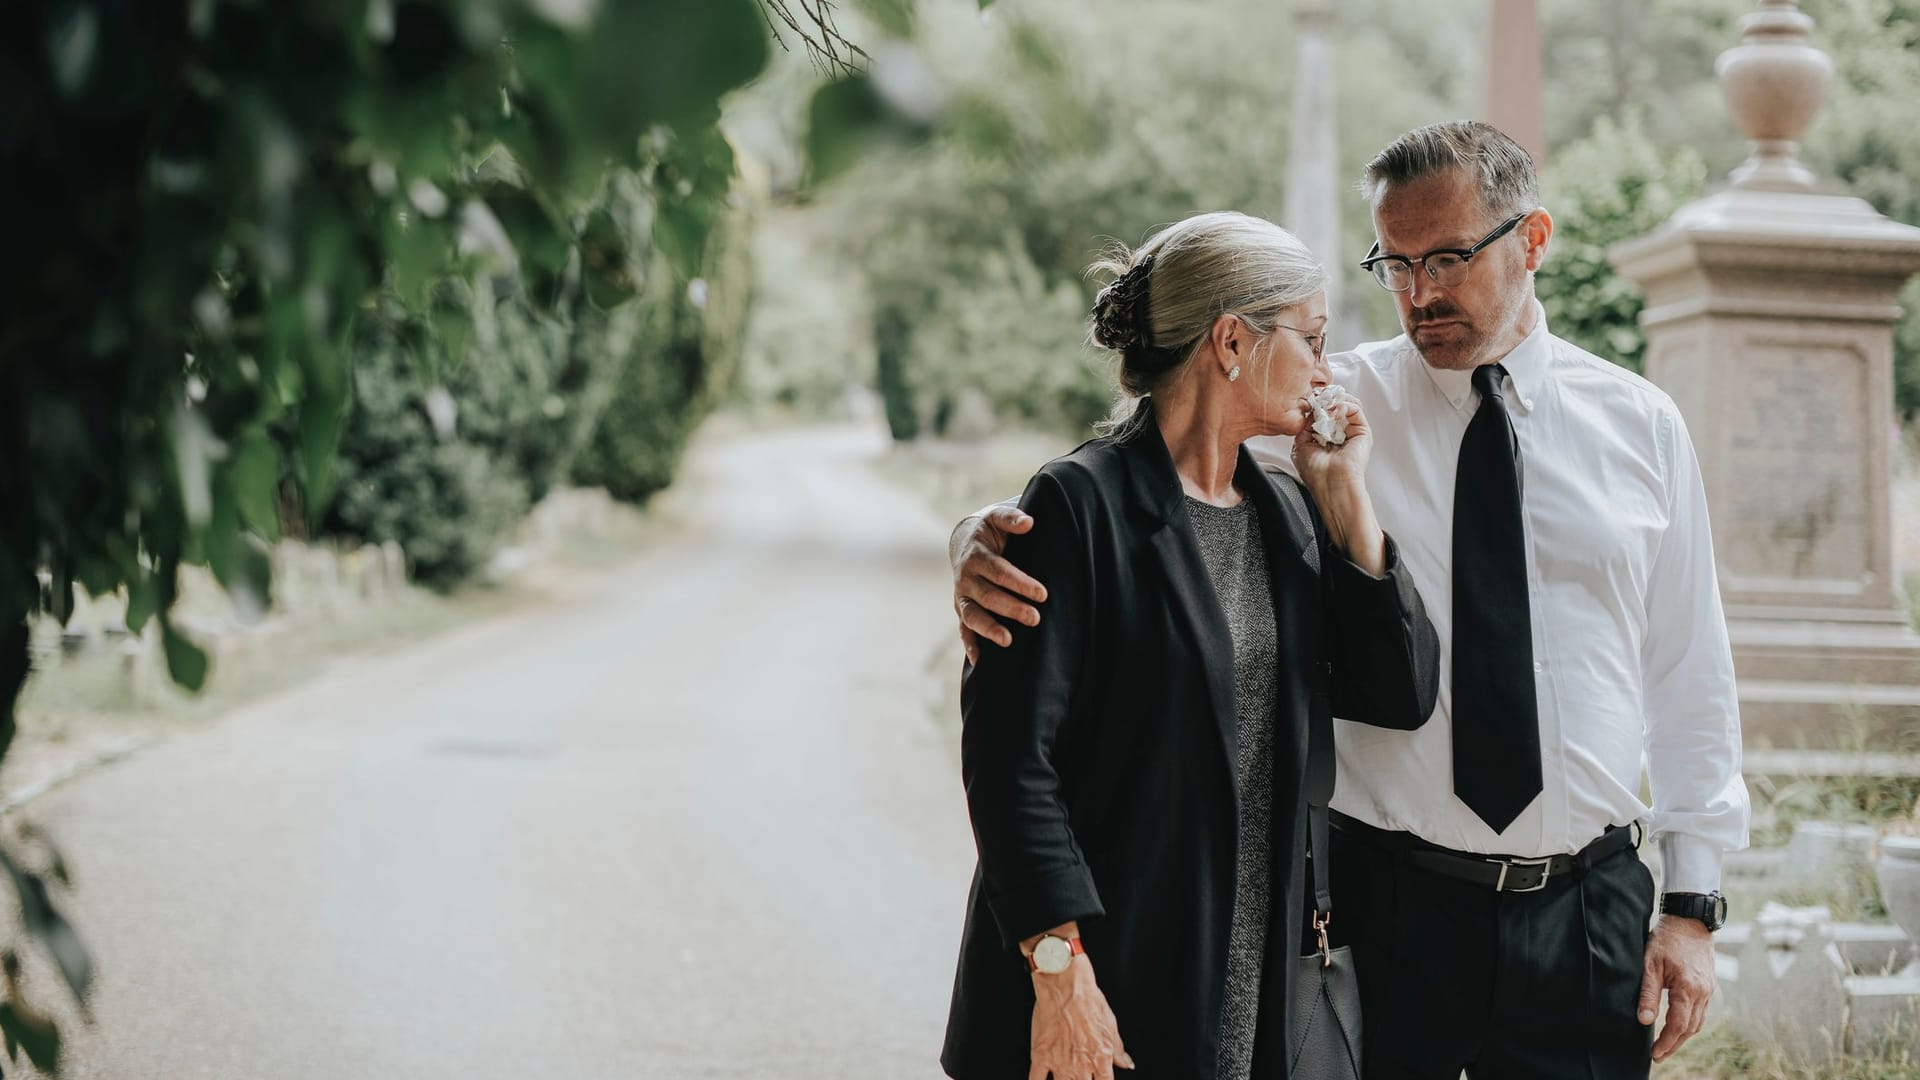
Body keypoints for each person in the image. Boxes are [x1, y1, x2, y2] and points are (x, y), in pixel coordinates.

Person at [950, 122, 1750, 1080]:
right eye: (1396, 264)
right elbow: (1131, 473)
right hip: (1386, 908)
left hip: (1586, 914)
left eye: (1448, 258)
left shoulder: (1637, 425)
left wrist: (1692, 905)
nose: (1419, 294)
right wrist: (971, 538)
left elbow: (1688, 671)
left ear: (1532, 241)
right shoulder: (1325, 409)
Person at [942, 211, 1440, 1080]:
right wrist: (1060, 976)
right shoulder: (1076, 507)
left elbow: (1396, 694)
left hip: (1253, 985)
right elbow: (1011, 765)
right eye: (1313, 338)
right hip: (1104, 978)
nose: (1327, 369)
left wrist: (1345, 499)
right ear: (1232, 341)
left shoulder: (1285, 513)